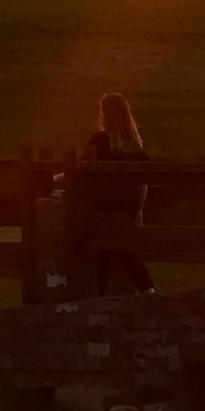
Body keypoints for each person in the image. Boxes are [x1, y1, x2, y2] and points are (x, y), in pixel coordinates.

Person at [77, 90, 153, 292]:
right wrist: (137, 211)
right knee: (120, 250)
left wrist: (54, 178)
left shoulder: (100, 141)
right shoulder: (135, 146)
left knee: (105, 250)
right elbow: (143, 183)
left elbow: (80, 170)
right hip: (126, 209)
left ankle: (100, 295)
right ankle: (148, 291)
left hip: (103, 208)